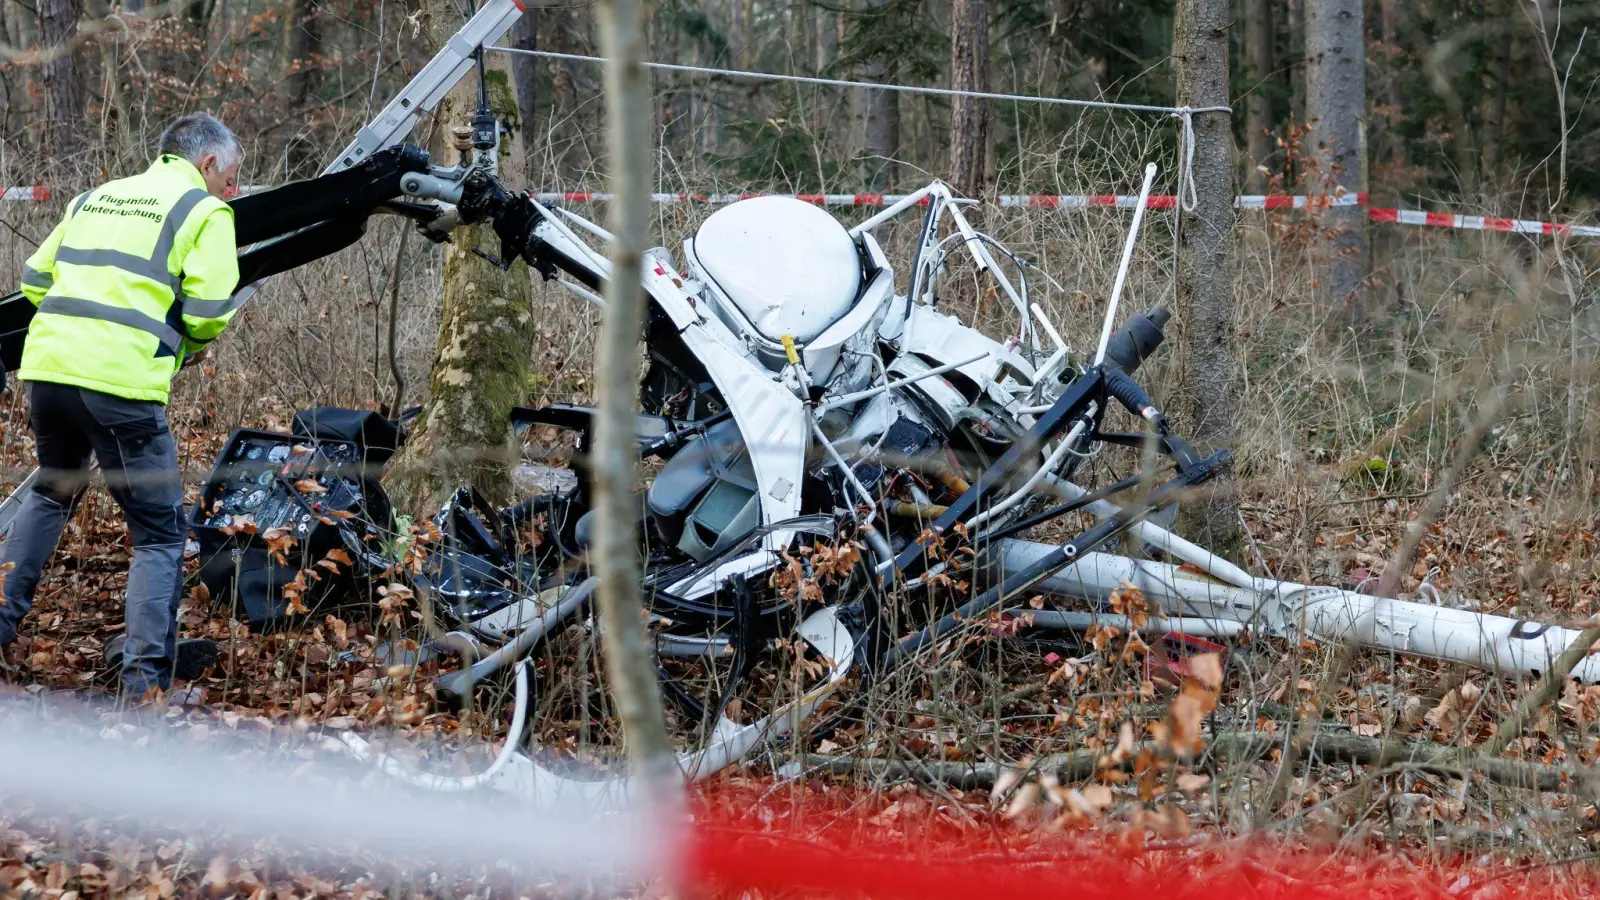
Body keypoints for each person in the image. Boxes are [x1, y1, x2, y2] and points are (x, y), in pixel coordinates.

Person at [1, 113, 246, 699]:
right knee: (160, 534)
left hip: (48, 375)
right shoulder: (205, 212)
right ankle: (145, 688)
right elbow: (211, 309)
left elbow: (35, 280)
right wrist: (183, 343)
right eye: (231, 176)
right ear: (206, 163)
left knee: (51, 491)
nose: (232, 190)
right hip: (121, 388)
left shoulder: (96, 197)